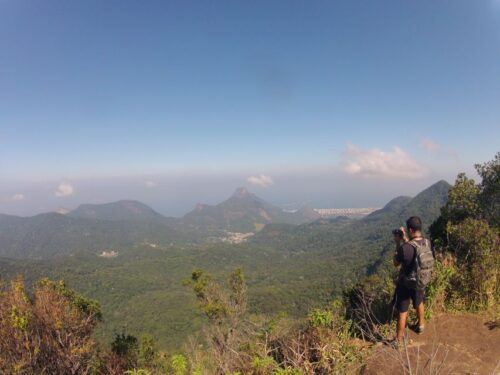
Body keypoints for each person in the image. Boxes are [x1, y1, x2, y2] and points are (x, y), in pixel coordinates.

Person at [392, 216, 432, 343]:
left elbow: (396, 263)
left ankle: (398, 339)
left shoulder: (405, 248)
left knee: (402, 310)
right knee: (419, 301)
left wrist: (398, 242)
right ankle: (421, 325)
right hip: (421, 281)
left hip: (406, 283)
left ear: (409, 229)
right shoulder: (427, 243)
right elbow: (415, 248)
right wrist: (406, 239)